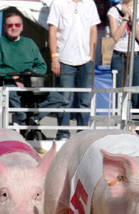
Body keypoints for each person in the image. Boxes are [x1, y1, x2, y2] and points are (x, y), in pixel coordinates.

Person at [0, 13, 61, 130]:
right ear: (5, 28)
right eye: (10, 25)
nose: (14, 27)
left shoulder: (30, 43)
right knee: (9, 92)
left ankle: (32, 116)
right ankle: (22, 118)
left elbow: (42, 66)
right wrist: (13, 77)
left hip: (31, 83)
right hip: (10, 83)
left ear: (21, 27)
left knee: (58, 98)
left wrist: (30, 77)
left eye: (17, 24)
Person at [48, 0, 100, 140]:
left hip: (85, 59)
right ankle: (63, 133)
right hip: (65, 59)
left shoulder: (89, 3)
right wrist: (54, 57)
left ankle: (83, 134)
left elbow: (93, 29)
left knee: (84, 100)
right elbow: (52, 31)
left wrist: (91, 55)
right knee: (64, 100)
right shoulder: (58, 3)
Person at [107, 0, 139, 110]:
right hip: (119, 55)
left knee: (135, 94)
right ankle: (119, 123)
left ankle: (135, 124)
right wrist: (125, 18)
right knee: (119, 93)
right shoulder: (114, 10)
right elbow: (116, 37)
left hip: (136, 55)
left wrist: (131, 14)